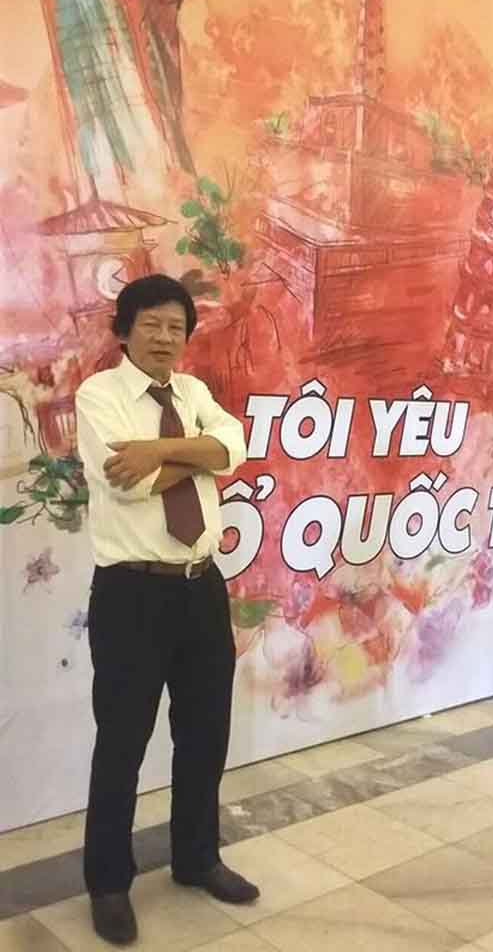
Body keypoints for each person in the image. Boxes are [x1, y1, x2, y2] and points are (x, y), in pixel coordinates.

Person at [75, 274, 259, 946]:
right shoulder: (98, 395)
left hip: (201, 586)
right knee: (122, 742)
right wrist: (194, 457)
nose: (164, 337)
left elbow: (235, 449)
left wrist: (158, 448)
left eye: (176, 327)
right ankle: (108, 883)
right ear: (125, 330)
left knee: (206, 732)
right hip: (132, 593)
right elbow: (131, 486)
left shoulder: (194, 393)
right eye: (151, 324)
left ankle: (197, 858)